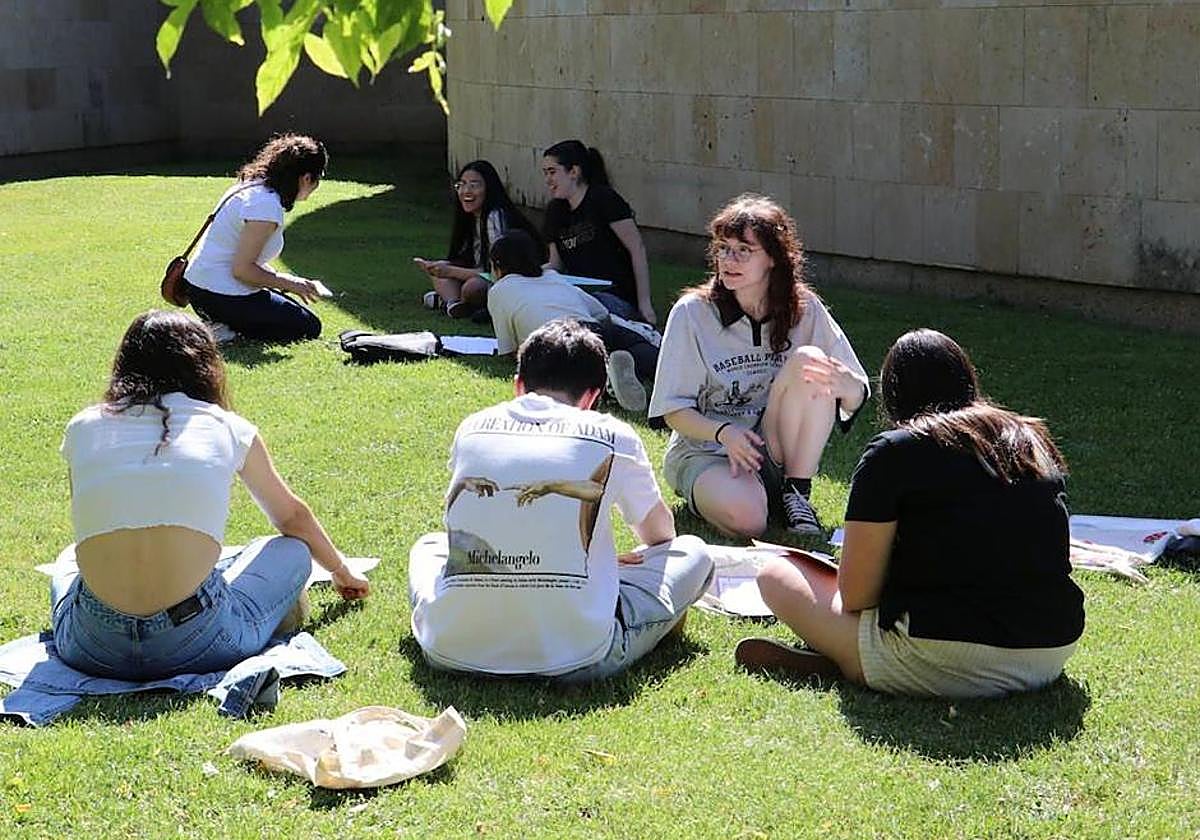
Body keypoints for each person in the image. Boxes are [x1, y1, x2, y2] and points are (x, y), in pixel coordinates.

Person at [737, 329, 1085, 697]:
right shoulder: (1031, 439)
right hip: (1051, 649)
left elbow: (856, 596)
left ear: (893, 395)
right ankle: (846, 654)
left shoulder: (894, 451)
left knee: (776, 573)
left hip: (942, 653)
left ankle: (849, 658)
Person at [51, 311, 369, 680]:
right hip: (199, 641)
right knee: (294, 550)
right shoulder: (226, 427)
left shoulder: (84, 426)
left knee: (67, 561)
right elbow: (291, 519)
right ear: (204, 365)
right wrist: (342, 571)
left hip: (91, 645)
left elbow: (90, 520)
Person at [408, 319, 714, 681]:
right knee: (694, 553)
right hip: (580, 657)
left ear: (518, 385)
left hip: (448, 649)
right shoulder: (612, 434)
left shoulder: (472, 426)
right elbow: (660, 536)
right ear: (592, 396)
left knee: (429, 546)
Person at [648, 193, 869, 537]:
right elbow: (672, 411)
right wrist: (724, 433)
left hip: (775, 448)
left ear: (773, 259)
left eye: (743, 250)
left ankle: (796, 492)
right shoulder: (693, 313)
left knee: (810, 361)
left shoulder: (805, 308)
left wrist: (849, 387)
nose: (728, 260)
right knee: (749, 520)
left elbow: (853, 392)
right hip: (710, 450)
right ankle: (743, 496)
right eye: (723, 248)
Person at [487, 230, 659, 412]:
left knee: (574, 370)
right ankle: (644, 369)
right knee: (639, 345)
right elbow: (600, 311)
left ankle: (609, 378)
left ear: (498, 266)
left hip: (553, 340)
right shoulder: (552, 277)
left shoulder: (499, 290)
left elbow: (508, 350)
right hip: (592, 328)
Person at [183, 133, 328, 343]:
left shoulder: (252, 186)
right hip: (218, 293)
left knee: (293, 310)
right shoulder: (266, 205)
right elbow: (242, 270)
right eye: (318, 177)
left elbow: (239, 256)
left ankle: (221, 323)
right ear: (306, 178)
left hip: (200, 287)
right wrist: (290, 283)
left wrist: (288, 282)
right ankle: (223, 330)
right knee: (309, 326)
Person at [541, 140, 656, 325]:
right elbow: (555, 264)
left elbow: (637, 249)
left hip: (614, 296)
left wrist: (645, 304)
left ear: (574, 172)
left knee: (581, 316)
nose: (548, 180)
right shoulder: (555, 211)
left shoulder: (604, 199)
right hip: (577, 294)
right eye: (545, 173)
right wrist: (524, 274)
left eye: (552, 172)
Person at [414, 159, 541, 318]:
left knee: (473, 287)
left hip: (504, 278)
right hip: (480, 273)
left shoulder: (495, 216)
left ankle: (448, 300)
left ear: (489, 188)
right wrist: (442, 269)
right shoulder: (469, 217)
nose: (466, 191)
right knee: (439, 270)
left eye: (474, 185)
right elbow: (464, 260)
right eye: (461, 185)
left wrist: (451, 271)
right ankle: (453, 304)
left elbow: (496, 272)